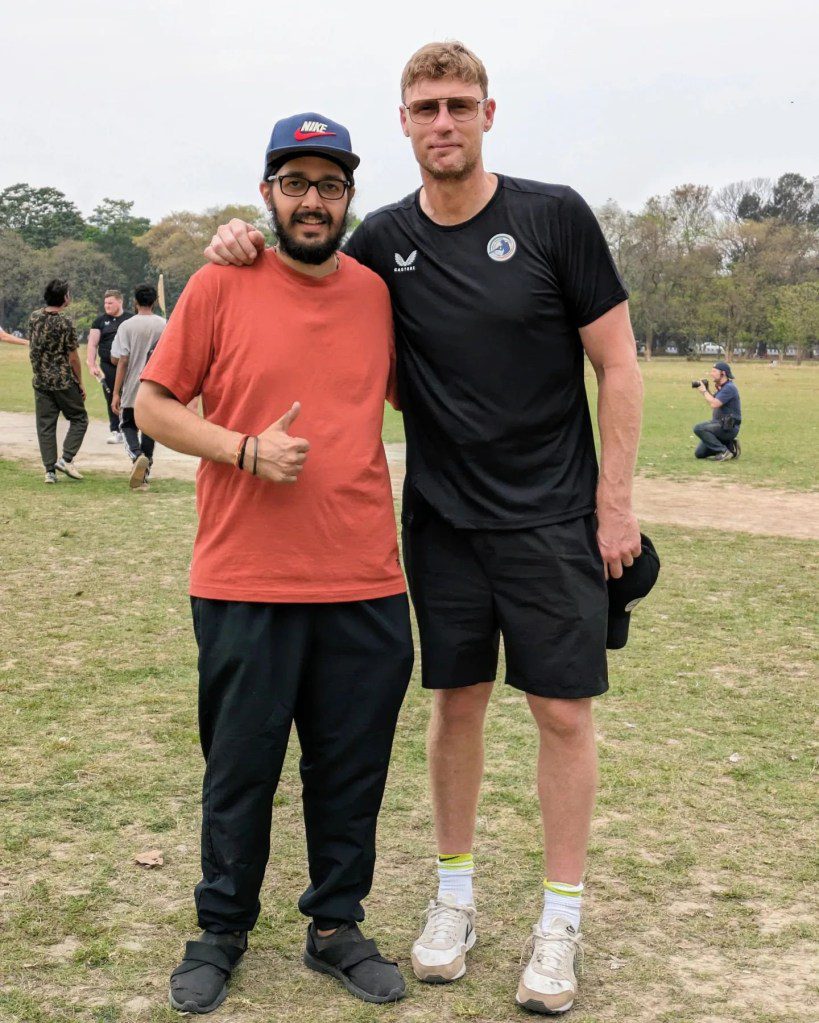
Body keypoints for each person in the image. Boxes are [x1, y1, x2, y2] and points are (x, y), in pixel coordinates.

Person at [205, 41, 644, 1016]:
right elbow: (301, 273)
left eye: (457, 105)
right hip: (441, 523)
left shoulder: (553, 217)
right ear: (402, 124)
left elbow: (618, 363)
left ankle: (559, 920)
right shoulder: (381, 242)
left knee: (563, 714)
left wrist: (615, 505)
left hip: (552, 518)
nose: (441, 122)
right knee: (454, 707)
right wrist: (237, 236)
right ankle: (453, 899)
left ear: (489, 113)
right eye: (423, 108)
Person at [135, 112, 413, 1014]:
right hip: (244, 577)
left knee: (351, 766)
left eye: (329, 185)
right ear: (266, 193)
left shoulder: (376, 291)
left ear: (347, 198)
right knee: (240, 766)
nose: (312, 200)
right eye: (294, 183)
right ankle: (220, 929)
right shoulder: (221, 282)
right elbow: (152, 405)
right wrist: (243, 449)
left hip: (364, 577)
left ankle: (336, 925)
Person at [27, 279, 89, 484]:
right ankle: (66, 458)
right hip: (62, 380)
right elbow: (72, 356)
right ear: (64, 298)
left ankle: (49, 472)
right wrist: (79, 381)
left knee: (45, 425)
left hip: (41, 380)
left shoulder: (34, 317)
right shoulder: (65, 322)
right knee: (79, 418)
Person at [111, 284, 166, 489]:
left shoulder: (126, 325)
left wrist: (116, 392)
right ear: (154, 302)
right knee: (150, 428)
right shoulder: (164, 324)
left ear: (135, 301)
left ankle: (136, 456)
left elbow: (120, 360)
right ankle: (145, 469)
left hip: (133, 383)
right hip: (156, 385)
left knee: (127, 425)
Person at [87, 289, 134, 443]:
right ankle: (116, 430)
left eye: (110, 303)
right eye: (105, 303)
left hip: (128, 364)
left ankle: (130, 429)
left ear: (120, 302)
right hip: (107, 366)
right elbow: (92, 344)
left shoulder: (130, 319)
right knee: (111, 398)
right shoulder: (100, 321)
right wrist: (92, 364)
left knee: (128, 396)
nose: (107, 306)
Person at [692, 361, 741, 461]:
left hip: (728, 428)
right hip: (719, 425)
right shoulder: (722, 388)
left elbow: (714, 404)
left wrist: (704, 391)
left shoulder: (729, 388)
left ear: (723, 373)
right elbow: (713, 401)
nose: (711, 374)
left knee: (699, 428)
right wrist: (707, 390)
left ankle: (724, 452)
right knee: (699, 453)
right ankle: (730, 446)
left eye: (714, 371)